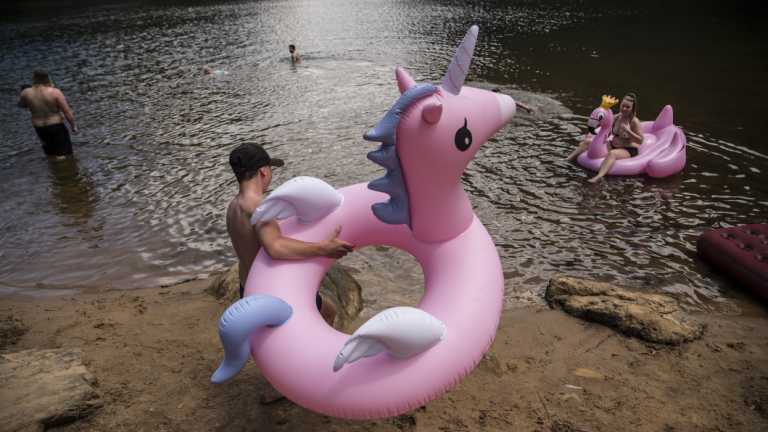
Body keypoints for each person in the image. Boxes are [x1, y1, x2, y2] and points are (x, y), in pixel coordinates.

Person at [226, 142, 353, 318]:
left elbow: (253, 241)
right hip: (271, 288)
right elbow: (275, 247)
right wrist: (324, 248)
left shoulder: (234, 206)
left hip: (247, 286)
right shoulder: (258, 205)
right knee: (328, 312)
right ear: (263, 171)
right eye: (270, 169)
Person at [566, 93, 643, 182]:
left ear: (632, 108)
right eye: (623, 106)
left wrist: (628, 131)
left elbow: (640, 141)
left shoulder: (634, 122)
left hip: (628, 149)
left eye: (627, 107)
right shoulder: (617, 117)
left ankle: (599, 176)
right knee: (588, 142)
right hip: (612, 144)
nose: (624, 109)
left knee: (612, 154)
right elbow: (604, 123)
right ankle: (568, 159)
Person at [17, 70, 78, 158]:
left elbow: (21, 105)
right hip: (55, 125)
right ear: (47, 78)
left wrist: (26, 97)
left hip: (39, 127)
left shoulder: (26, 92)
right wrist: (73, 126)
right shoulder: (55, 92)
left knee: (50, 153)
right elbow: (67, 111)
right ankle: (64, 169)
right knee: (64, 154)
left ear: (34, 78)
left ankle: (53, 169)